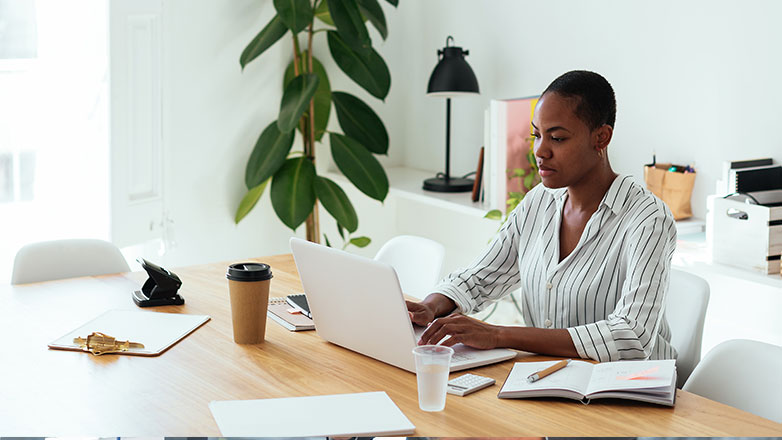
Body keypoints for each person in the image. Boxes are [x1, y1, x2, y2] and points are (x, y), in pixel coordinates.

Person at [408, 70, 677, 362]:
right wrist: (431, 306)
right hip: (550, 382)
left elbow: (631, 336)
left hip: (631, 392)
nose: (540, 151)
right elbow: (480, 278)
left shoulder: (648, 219)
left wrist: (498, 335)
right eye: (537, 135)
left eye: (558, 138)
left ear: (601, 138)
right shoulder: (539, 202)